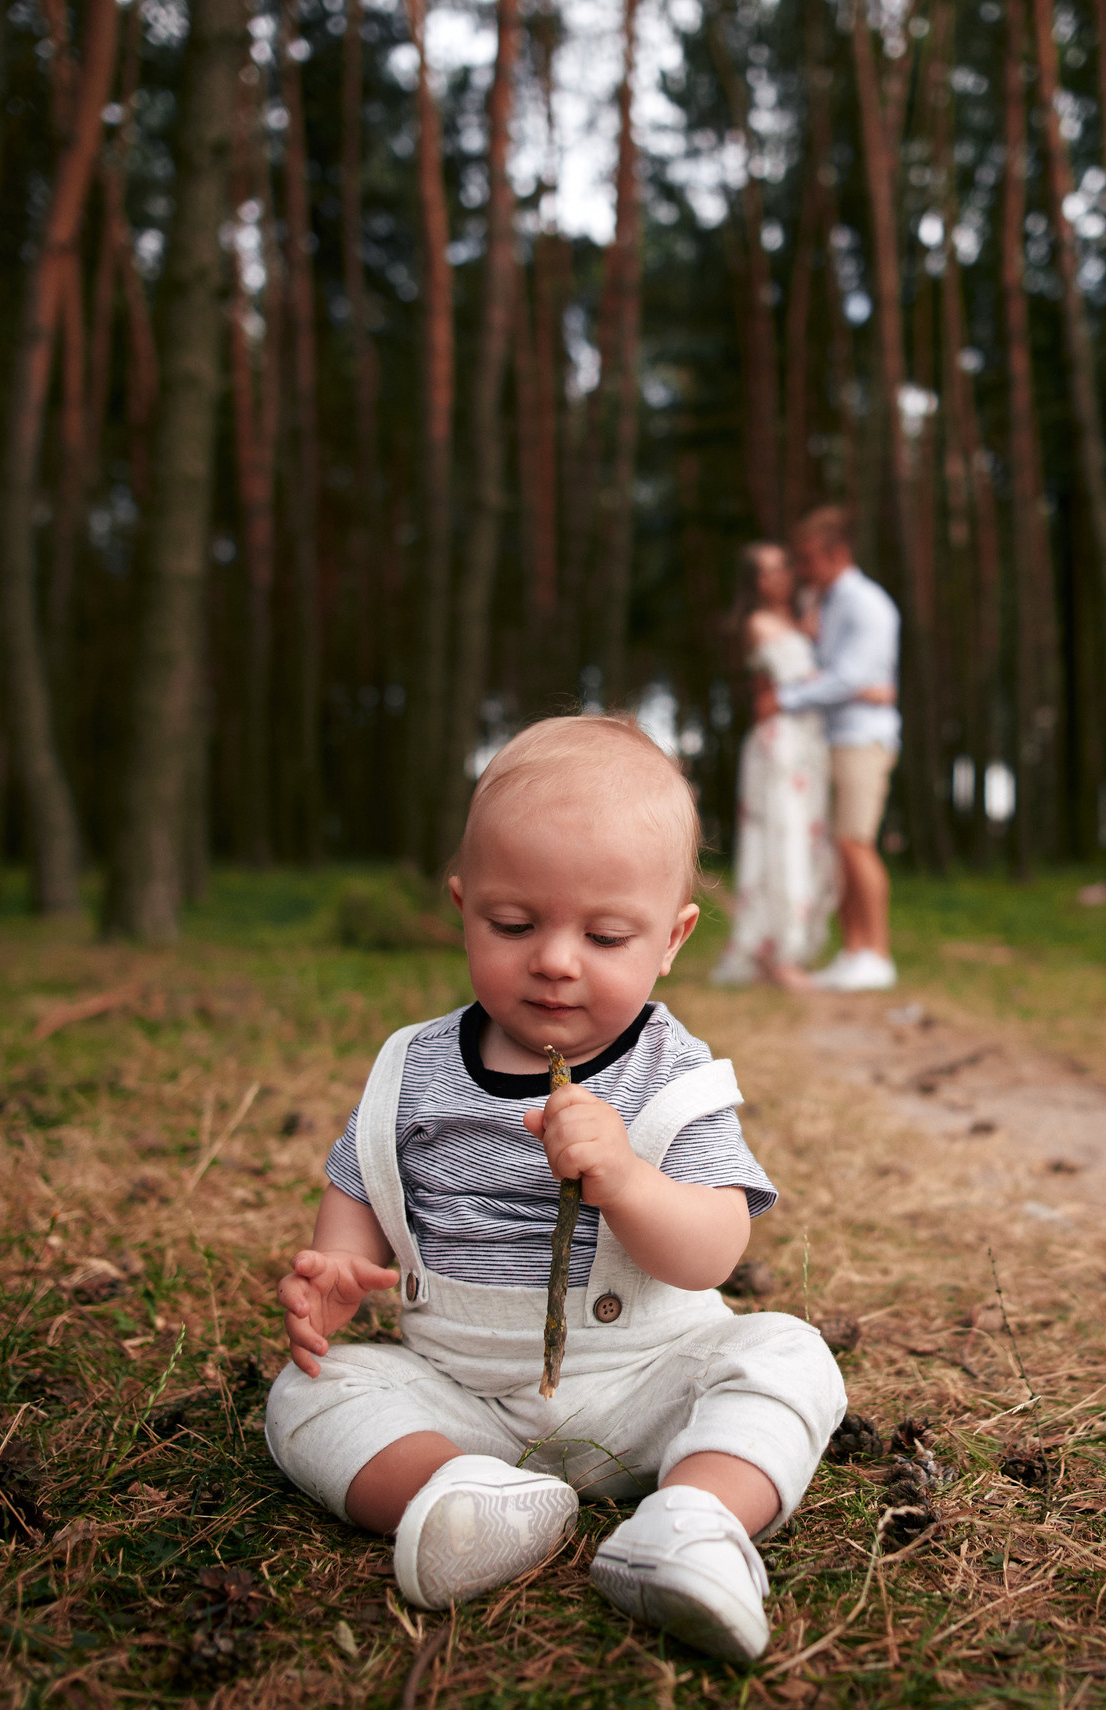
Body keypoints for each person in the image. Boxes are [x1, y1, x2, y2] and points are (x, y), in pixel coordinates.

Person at [265, 714, 846, 1663]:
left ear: (671, 939)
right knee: (309, 1394)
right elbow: (362, 1180)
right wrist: (336, 1266)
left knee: (788, 1359)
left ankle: (693, 1520)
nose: (556, 959)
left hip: (646, 1386)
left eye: (607, 934)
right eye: (514, 924)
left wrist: (624, 1179)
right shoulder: (415, 1069)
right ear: (463, 908)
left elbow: (714, 1249)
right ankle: (465, 1497)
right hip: (460, 1392)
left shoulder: (673, 1074)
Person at [760, 505, 900, 992]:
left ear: (838, 553)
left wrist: (786, 698)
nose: (801, 569)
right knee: (839, 849)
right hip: (829, 739)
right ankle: (854, 950)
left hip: (862, 739)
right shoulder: (826, 603)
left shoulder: (865, 603)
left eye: (807, 558)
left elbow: (849, 677)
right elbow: (838, 676)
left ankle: (878, 955)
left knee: (855, 842)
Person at [712, 543, 838, 989]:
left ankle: (791, 949)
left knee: (809, 840)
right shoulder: (760, 624)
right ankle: (780, 954)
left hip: (809, 741)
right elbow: (793, 684)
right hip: (778, 741)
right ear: (754, 582)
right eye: (765, 572)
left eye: (782, 566)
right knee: (781, 841)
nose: (777, 577)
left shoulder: (802, 618)